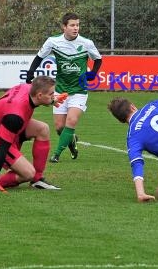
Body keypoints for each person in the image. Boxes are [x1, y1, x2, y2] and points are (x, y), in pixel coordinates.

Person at [26, 12, 102, 163]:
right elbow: (39, 57)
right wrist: (30, 73)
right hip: (60, 89)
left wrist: (93, 73)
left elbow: (98, 59)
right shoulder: (53, 41)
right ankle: (71, 140)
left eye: (77, 25)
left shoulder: (86, 43)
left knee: (71, 121)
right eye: (72, 25)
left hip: (79, 90)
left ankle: (56, 154)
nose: (76, 28)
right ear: (64, 27)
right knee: (60, 127)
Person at [0, 76, 63, 193]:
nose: (54, 96)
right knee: (28, 173)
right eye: (51, 94)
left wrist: (51, 100)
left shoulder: (28, 88)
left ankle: (37, 180)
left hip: (4, 123)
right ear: (39, 95)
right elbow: (2, 148)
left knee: (43, 129)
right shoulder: (15, 116)